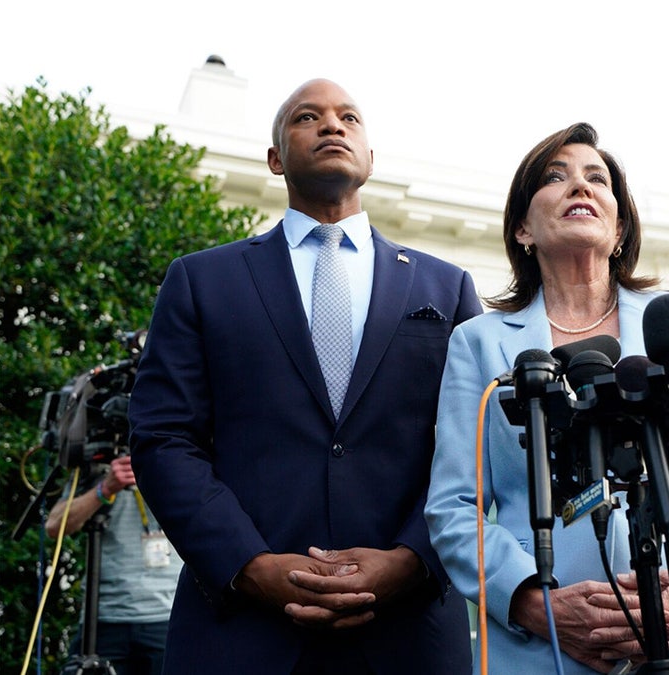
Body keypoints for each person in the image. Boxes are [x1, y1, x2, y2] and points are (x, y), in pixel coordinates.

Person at [128, 78, 480, 674]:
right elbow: (163, 438)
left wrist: (412, 558)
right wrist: (250, 565)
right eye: (307, 117)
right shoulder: (201, 281)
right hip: (242, 629)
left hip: (407, 633)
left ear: (370, 157)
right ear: (274, 158)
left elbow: (476, 446)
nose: (332, 125)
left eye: (349, 117)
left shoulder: (445, 287)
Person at [425, 122, 669, 674]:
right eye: (555, 177)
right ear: (522, 228)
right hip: (547, 648)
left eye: (597, 179)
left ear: (619, 229)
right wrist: (533, 602)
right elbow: (454, 506)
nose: (580, 187)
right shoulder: (479, 343)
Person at [46, 455, 179, 675]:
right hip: (103, 619)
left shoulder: (179, 456)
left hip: (167, 616)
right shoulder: (96, 465)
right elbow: (54, 526)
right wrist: (104, 489)